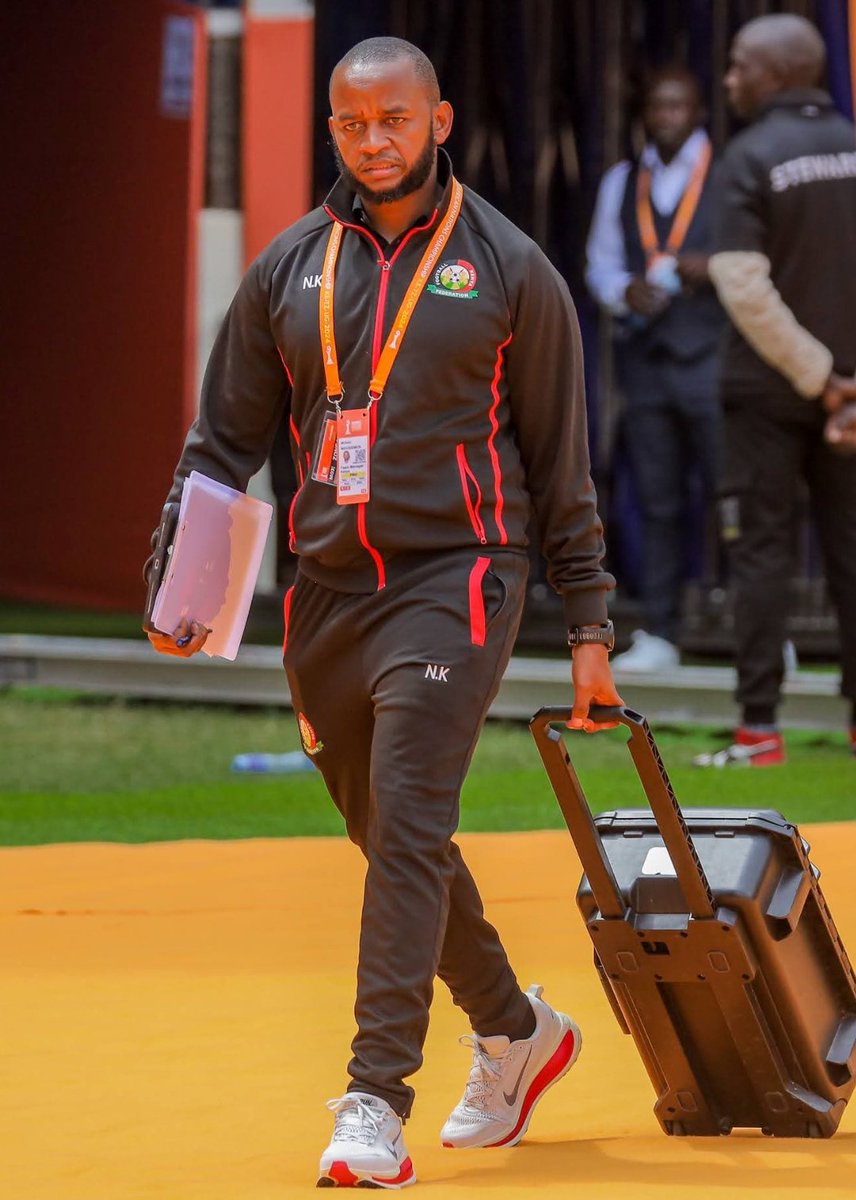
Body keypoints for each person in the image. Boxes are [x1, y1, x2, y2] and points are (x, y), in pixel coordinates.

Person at [145, 37, 623, 1188]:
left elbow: (561, 467)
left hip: (460, 577)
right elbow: (221, 447)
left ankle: (373, 1098)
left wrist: (590, 629)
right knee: (388, 836)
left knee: (407, 825)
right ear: (334, 131)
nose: (375, 141)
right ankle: (517, 1033)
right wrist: (181, 581)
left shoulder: (511, 270)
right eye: (353, 125)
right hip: (327, 596)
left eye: (395, 121)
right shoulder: (287, 271)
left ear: (440, 119)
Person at [704, 13, 856, 766]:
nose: (730, 79)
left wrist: (818, 377)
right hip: (851, 403)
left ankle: (758, 731)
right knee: (853, 555)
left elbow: (741, 283)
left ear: (777, 73)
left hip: (770, 394)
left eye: (739, 66)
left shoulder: (749, 154)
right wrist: (846, 386)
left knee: (761, 554)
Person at [586, 66, 724, 673]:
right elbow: (599, 264)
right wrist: (624, 291)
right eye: (658, 106)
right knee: (659, 497)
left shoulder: (729, 173)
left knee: (735, 498)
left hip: (716, 361)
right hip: (646, 363)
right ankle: (662, 631)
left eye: (679, 105)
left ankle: (763, 634)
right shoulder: (623, 180)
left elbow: (763, 255)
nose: (667, 116)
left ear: (699, 110)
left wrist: (713, 265)